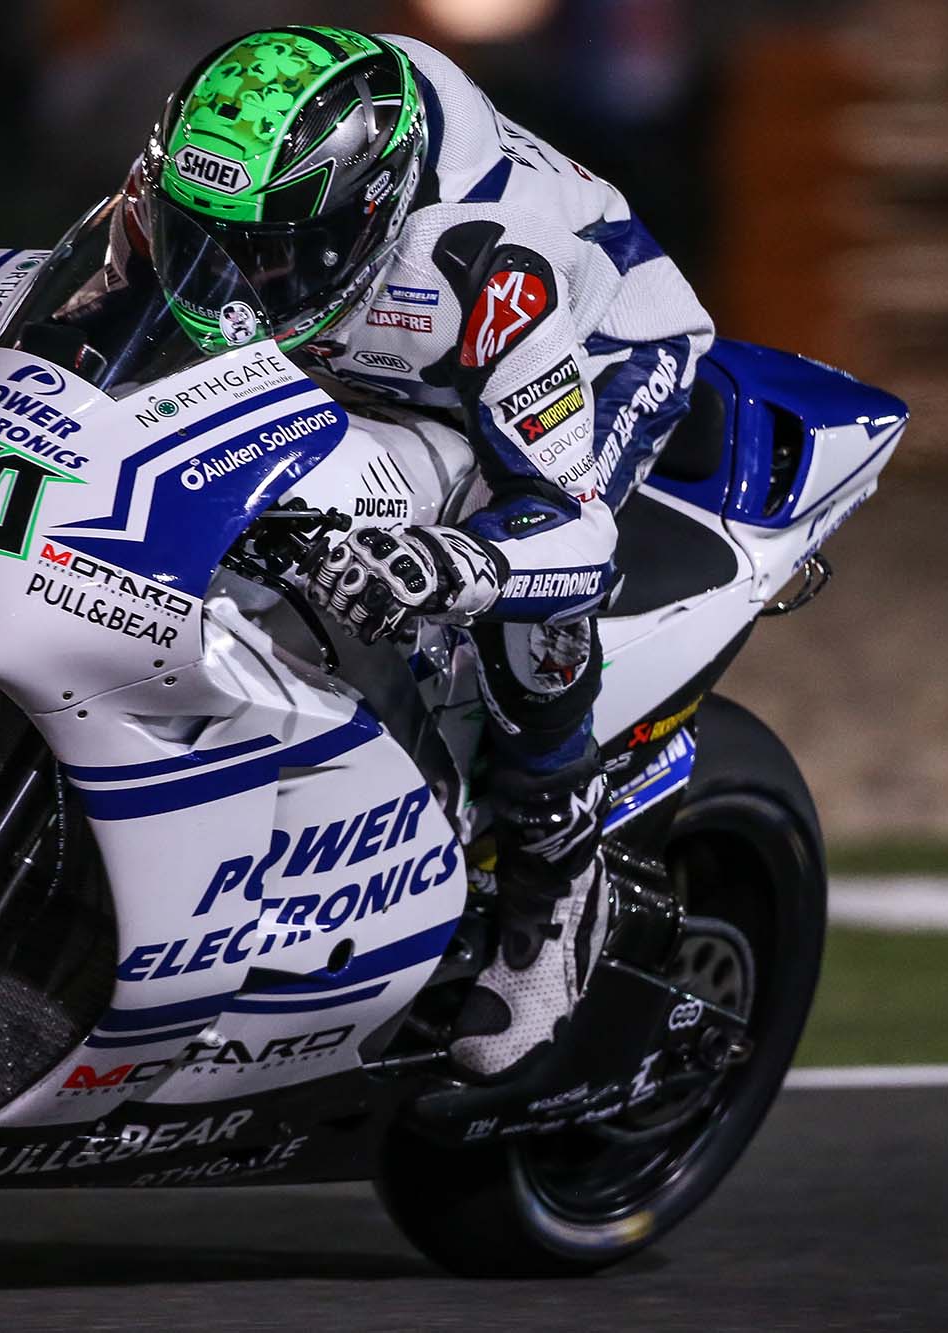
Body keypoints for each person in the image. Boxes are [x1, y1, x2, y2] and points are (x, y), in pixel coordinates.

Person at [138, 27, 714, 1082]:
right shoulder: (221, 175)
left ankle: (555, 873)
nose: (238, 278)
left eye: (275, 252)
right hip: (390, 358)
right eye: (209, 238)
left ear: (368, 216)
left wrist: (449, 566)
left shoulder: (484, 271)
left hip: (600, 347)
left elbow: (568, 524)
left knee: (515, 579)